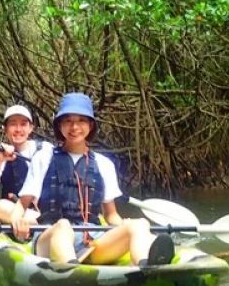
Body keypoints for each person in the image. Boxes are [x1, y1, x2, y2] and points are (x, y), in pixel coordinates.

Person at [10, 93, 174, 266]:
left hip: (92, 241)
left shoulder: (104, 164)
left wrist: (124, 224)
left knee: (139, 224)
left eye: (81, 120)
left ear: (90, 125)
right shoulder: (43, 157)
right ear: (60, 125)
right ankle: (72, 273)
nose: (74, 127)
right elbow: (22, 204)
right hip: (49, 236)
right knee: (63, 226)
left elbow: (110, 215)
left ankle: (149, 266)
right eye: (68, 121)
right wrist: (17, 220)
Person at [0, 104, 43, 224]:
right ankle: (40, 222)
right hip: (11, 211)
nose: (18, 129)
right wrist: (0, 160)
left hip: (42, 211)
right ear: (5, 129)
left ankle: (41, 221)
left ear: (31, 128)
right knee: (0, 206)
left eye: (23, 124)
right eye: (13, 124)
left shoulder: (44, 150)